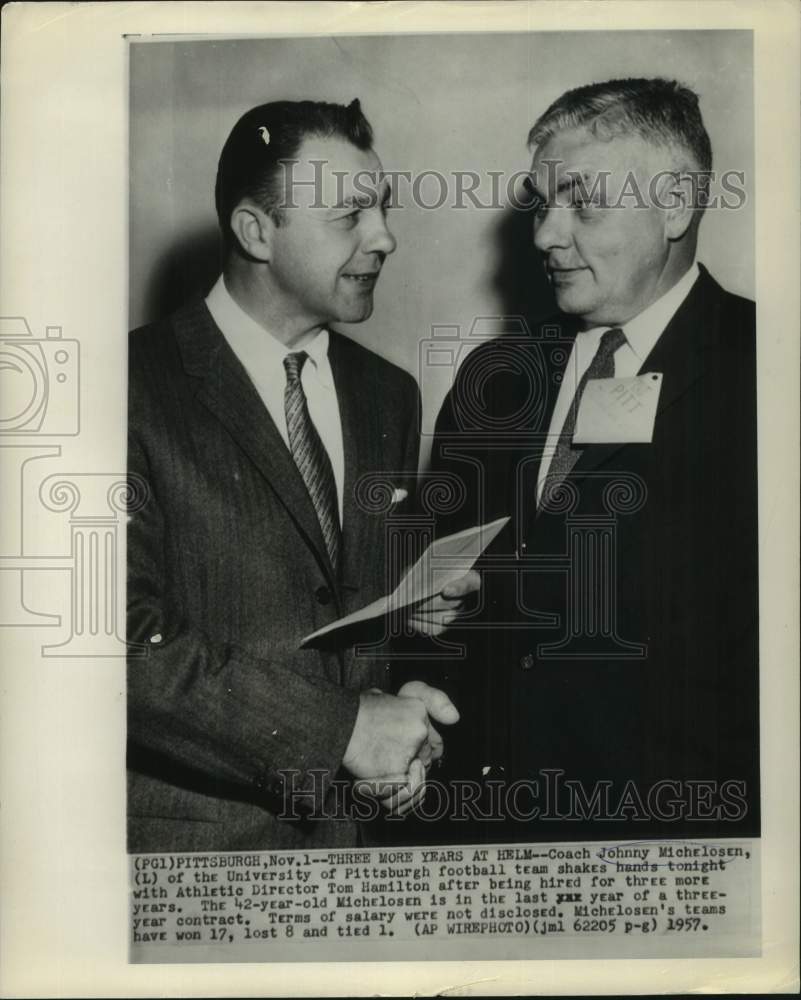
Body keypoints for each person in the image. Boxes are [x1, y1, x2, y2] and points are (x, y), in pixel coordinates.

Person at [126, 99, 477, 853]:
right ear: (256, 231)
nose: (385, 237)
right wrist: (344, 730)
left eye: (381, 208)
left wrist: (404, 630)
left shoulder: (388, 394)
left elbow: (327, 605)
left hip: (352, 849)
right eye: (351, 215)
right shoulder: (121, 386)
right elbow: (114, 645)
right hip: (192, 865)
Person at [427, 78, 759, 842]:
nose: (545, 235)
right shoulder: (495, 380)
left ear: (674, 205)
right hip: (482, 841)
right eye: (543, 204)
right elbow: (432, 607)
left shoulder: (770, 370)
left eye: (581, 202)